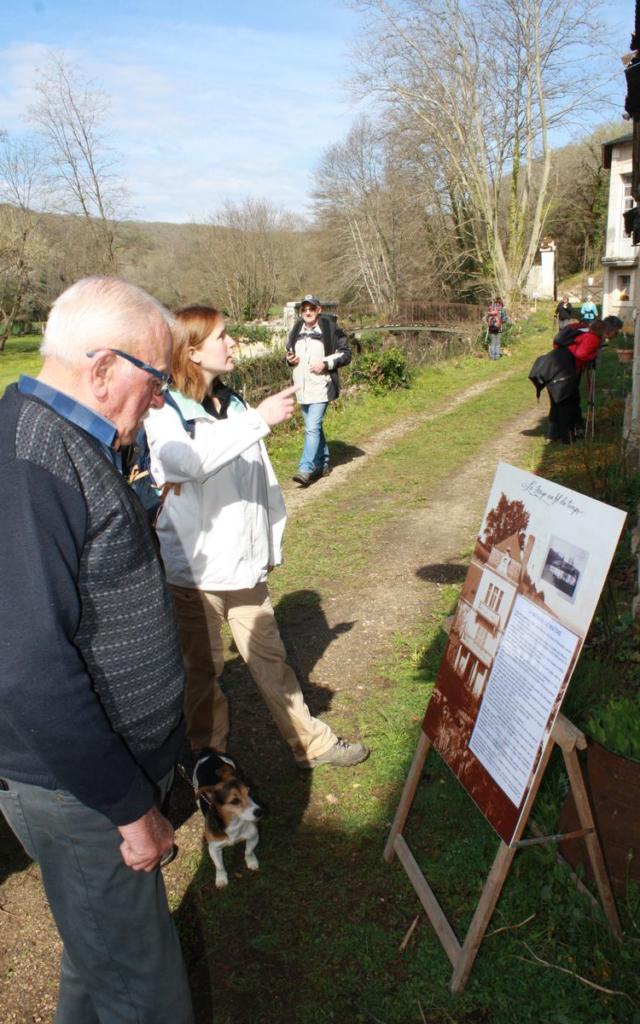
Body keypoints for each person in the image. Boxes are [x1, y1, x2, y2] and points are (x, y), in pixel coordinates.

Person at [0, 277, 194, 1023]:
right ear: (105, 367)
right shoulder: (33, 460)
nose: (160, 401)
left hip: (90, 781)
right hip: (76, 790)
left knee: (101, 955)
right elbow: (24, 668)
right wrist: (127, 807)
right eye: (157, 381)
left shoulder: (68, 439)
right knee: (141, 992)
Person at [144, 304, 370, 770]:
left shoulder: (234, 403)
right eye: (223, 337)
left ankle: (313, 745)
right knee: (203, 675)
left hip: (242, 568)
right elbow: (186, 462)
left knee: (272, 658)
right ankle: (212, 768)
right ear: (192, 350)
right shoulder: (164, 410)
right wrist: (258, 421)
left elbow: (259, 483)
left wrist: (268, 545)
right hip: (195, 574)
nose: (233, 344)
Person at [285, 294, 351, 485]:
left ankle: (306, 468)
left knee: (311, 427)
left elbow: (346, 355)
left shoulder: (330, 329)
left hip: (321, 387)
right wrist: (290, 359)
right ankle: (323, 463)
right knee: (315, 428)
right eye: (304, 309)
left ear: (318, 310)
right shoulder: (297, 328)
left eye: (311, 309)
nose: (307, 312)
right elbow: (289, 351)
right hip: (301, 388)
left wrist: (325, 363)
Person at [546, 316, 622, 442]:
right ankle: (566, 434)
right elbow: (581, 354)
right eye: (616, 331)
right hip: (567, 369)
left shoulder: (588, 331)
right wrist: (592, 356)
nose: (616, 334)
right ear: (610, 329)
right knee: (567, 401)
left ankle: (556, 433)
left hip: (559, 366)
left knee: (561, 401)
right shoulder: (592, 337)